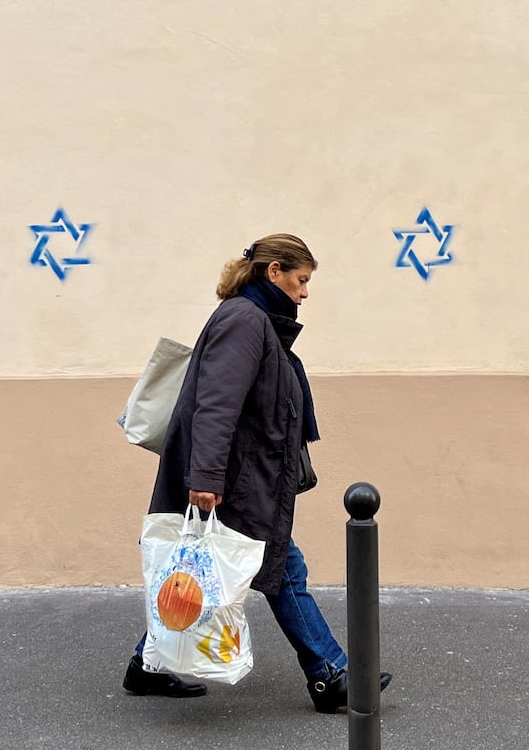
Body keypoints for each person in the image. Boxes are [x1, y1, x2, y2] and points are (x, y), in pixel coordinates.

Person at [122, 233, 392, 713]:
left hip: (239, 473)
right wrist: (205, 478)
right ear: (274, 272)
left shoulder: (252, 319)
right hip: (233, 478)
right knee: (283, 569)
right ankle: (329, 675)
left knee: (207, 569)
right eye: (301, 280)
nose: (305, 293)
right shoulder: (245, 321)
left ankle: (148, 665)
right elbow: (216, 404)